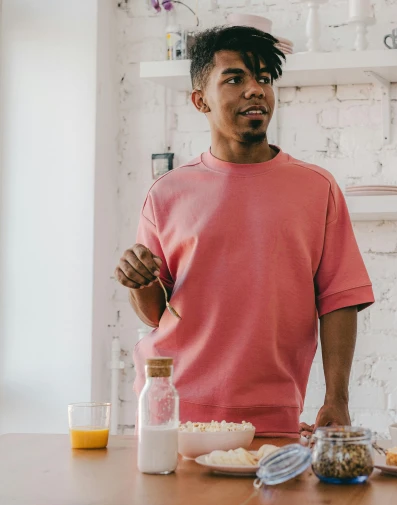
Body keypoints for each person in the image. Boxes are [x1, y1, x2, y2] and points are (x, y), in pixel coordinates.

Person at [114, 26, 374, 437]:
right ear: (200, 100)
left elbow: (340, 298)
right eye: (235, 78)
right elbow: (155, 312)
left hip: (273, 411)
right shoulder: (167, 193)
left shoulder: (316, 187)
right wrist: (136, 280)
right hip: (174, 407)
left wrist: (337, 399)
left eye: (264, 79)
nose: (256, 90)